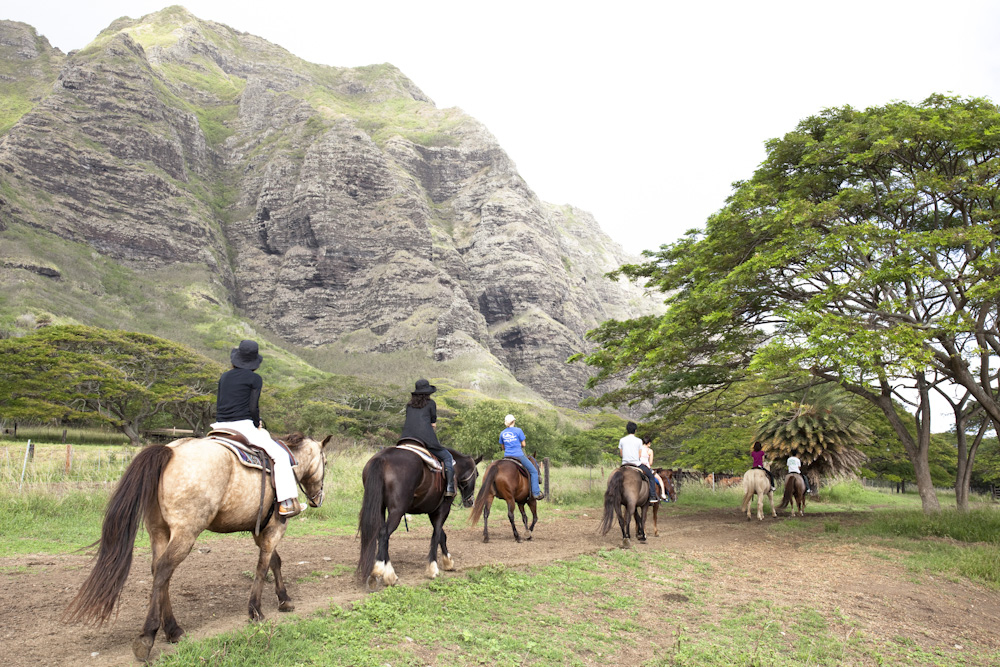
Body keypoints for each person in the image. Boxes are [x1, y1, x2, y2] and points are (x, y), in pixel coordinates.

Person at [212, 340, 301, 518]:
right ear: (254, 362)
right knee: (281, 456)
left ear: (236, 359)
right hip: (243, 426)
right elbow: (253, 407)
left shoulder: (224, 377)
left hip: (219, 426)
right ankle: (286, 502)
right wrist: (256, 422)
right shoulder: (255, 379)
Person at [399, 379, 456, 497]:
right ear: (428, 393)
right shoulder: (431, 404)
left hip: (406, 438)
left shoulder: (409, 405)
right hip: (424, 438)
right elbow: (432, 423)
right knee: (447, 457)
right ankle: (450, 488)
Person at [499, 414, 544, 500]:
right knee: (534, 471)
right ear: (513, 421)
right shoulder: (518, 430)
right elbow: (523, 444)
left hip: (507, 456)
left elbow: (503, 447)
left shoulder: (502, 433)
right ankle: (536, 493)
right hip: (518, 455)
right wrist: (517, 445)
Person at [620, 422, 657, 503]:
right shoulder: (639, 441)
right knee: (651, 476)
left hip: (624, 464)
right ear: (635, 430)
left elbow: (621, 454)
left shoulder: (622, 440)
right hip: (636, 464)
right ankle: (653, 496)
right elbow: (639, 455)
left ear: (627, 430)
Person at [642, 436, 669, 501]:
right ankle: (662, 494)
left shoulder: (638, 449)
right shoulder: (650, 451)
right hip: (646, 467)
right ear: (648, 443)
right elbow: (650, 463)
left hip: (637, 466)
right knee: (659, 479)